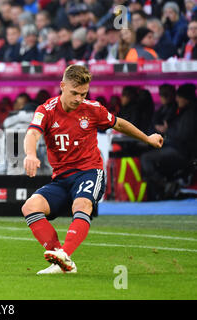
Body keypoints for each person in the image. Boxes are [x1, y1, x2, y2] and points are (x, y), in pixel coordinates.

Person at [21, 65, 163, 274]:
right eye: (74, 93)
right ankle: (61, 260)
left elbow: (119, 124)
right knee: (30, 207)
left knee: (83, 203)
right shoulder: (46, 110)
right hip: (61, 179)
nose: (79, 98)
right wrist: (31, 155)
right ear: (62, 86)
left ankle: (64, 254)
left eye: (83, 93)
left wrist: (147, 137)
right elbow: (32, 134)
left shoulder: (92, 109)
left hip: (89, 171)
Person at [141, 83, 197, 201]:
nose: (176, 99)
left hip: (182, 152)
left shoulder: (190, 113)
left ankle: (166, 185)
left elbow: (184, 136)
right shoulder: (183, 111)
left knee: (146, 158)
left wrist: (166, 132)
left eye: (179, 96)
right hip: (177, 149)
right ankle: (164, 189)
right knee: (149, 154)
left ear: (185, 98)